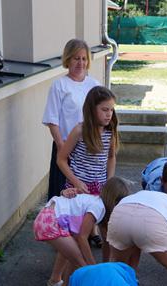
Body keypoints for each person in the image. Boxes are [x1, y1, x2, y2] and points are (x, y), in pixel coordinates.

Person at [43, 39, 100, 200]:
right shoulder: (59, 85)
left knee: (87, 194)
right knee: (63, 193)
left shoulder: (94, 85)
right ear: (68, 59)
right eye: (76, 58)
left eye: (84, 58)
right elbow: (52, 120)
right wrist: (62, 148)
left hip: (88, 148)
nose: (81, 63)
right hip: (66, 146)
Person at [33, 187, 103, 286]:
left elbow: (79, 239)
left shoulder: (90, 200)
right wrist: (93, 267)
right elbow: (82, 237)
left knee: (74, 256)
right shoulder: (98, 206)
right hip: (50, 222)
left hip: (46, 218)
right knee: (81, 263)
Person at [57, 86, 119, 197]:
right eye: (105, 110)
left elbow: (111, 157)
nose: (109, 114)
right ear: (92, 109)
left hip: (100, 191)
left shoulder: (110, 132)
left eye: (111, 109)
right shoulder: (79, 131)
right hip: (77, 190)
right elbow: (61, 159)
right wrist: (76, 182)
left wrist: (109, 182)